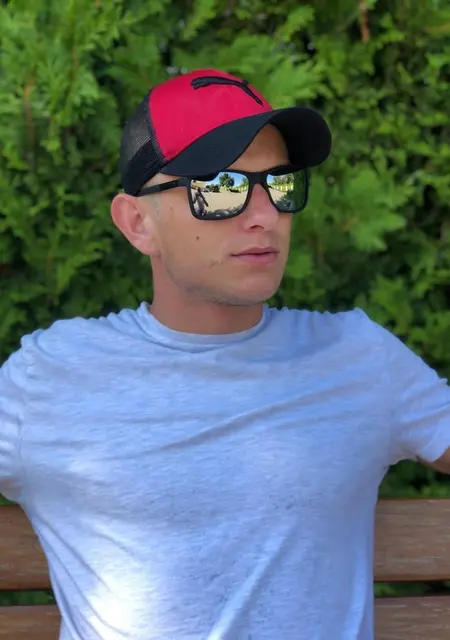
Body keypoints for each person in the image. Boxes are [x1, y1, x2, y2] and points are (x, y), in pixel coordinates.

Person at [1, 68, 449, 640]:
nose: (265, 214)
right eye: (219, 187)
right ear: (137, 223)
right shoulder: (49, 378)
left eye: (280, 184)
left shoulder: (359, 358)